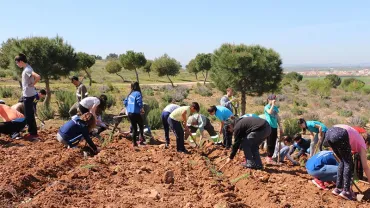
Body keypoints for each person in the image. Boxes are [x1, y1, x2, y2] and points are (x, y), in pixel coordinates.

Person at [324, 124, 370, 200]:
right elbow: (365, 167)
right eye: (368, 146)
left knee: (343, 161)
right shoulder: (362, 143)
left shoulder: (355, 138)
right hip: (340, 133)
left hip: (329, 132)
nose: (367, 148)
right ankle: (346, 191)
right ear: (367, 142)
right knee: (349, 163)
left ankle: (338, 188)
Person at [15, 53, 41, 140]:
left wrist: (32, 84)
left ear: (21, 61)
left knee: (29, 115)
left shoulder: (27, 70)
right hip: (29, 95)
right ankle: (32, 132)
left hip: (29, 96)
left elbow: (38, 76)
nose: (17, 64)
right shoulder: (28, 68)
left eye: (17, 63)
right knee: (29, 114)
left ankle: (32, 133)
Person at [124, 82, 145, 147]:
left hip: (130, 113)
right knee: (141, 126)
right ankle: (141, 140)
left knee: (134, 128)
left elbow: (125, 102)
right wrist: (141, 109)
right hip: (135, 113)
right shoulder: (138, 93)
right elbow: (139, 102)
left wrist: (128, 108)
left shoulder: (130, 94)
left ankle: (134, 143)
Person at [264, 94, 283, 164]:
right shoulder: (266, 107)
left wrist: (280, 127)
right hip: (269, 126)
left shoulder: (275, 108)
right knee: (269, 142)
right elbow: (269, 112)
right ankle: (268, 158)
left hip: (275, 127)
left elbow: (278, 118)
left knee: (273, 142)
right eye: (273, 99)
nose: (274, 100)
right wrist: (272, 105)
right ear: (269, 99)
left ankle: (270, 157)